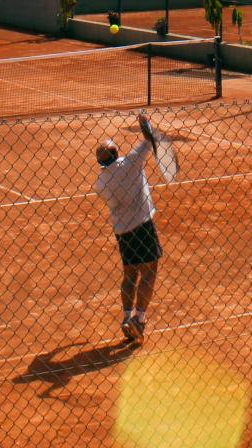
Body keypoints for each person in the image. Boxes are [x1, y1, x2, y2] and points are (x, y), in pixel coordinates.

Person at [94, 113, 163, 343]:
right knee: (149, 271)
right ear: (116, 153)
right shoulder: (131, 162)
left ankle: (126, 317)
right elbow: (150, 140)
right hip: (142, 226)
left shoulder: (101, 183)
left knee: (130, 273)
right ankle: (139, 319)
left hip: (122, 232)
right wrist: (145, 125)